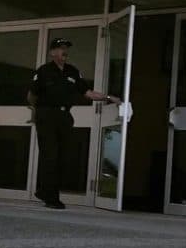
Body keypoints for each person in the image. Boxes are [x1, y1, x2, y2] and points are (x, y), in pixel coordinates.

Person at [27, 37, 119, 209]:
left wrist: (108, 97)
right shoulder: (44, 71)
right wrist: (35, 112)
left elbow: (88, 92)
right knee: (50, 156)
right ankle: (50, 197)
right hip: (47, 115)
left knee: (63, 156)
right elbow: (32, 95)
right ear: (52, 52)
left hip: (64, 116)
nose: (64, 51)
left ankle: (44, 190)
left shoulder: (72, 72)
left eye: (66, 48)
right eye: (61, 48)